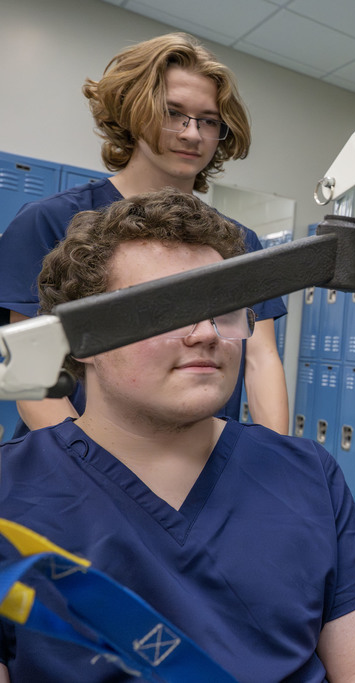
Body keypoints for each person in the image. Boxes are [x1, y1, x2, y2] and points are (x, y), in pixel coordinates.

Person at [0, 188, 355, 682]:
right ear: (84, 338)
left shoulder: (307, 472)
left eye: (223, 309)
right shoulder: (12, 492)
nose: (205, 333)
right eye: (166, 310)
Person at [0, 32, 289, 437]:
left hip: (203, 469)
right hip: (79, 467)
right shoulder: (50, 220)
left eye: (208, 121)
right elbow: (29, 369)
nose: (192, 134)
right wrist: (85, 466)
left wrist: (276, 462)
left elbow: (260, 360)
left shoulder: (239, 241)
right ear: (135, 112)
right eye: (173, 113)